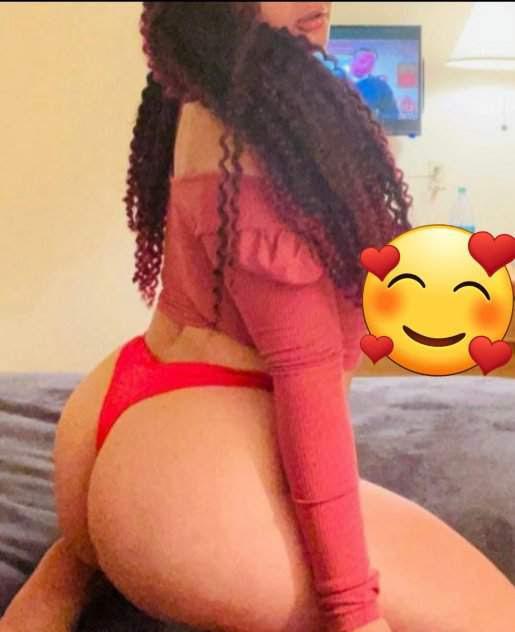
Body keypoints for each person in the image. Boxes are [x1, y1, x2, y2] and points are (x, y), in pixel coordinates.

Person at [3, 3, 515, 632]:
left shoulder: (199, 92)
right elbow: (309, 388)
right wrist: (355, 612)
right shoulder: (261, 136)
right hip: (178, 486)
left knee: (81, 563)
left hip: (110, 420)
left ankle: (78, 560)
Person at [350, 48, 399, 121]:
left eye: (371, 63)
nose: (367, 66)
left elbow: (391, 113)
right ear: (352, 61)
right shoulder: (337, 80)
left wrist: (374, 122)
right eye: (362, 61)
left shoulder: (381, 86)